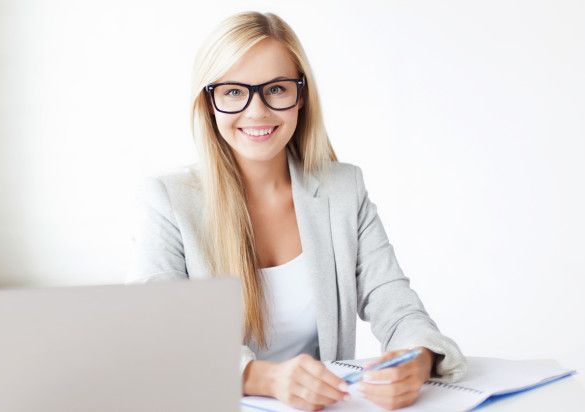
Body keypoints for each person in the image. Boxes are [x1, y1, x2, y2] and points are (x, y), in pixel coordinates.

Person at [128, 11, 467, 411]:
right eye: (234, 92)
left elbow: (395, 304)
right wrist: (264, 378)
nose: (257, 111)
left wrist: (417, 358)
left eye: (276, 89)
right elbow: (158, 335)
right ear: (209, 101)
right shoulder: (168, 200)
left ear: (301, 96)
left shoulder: (344, 189)